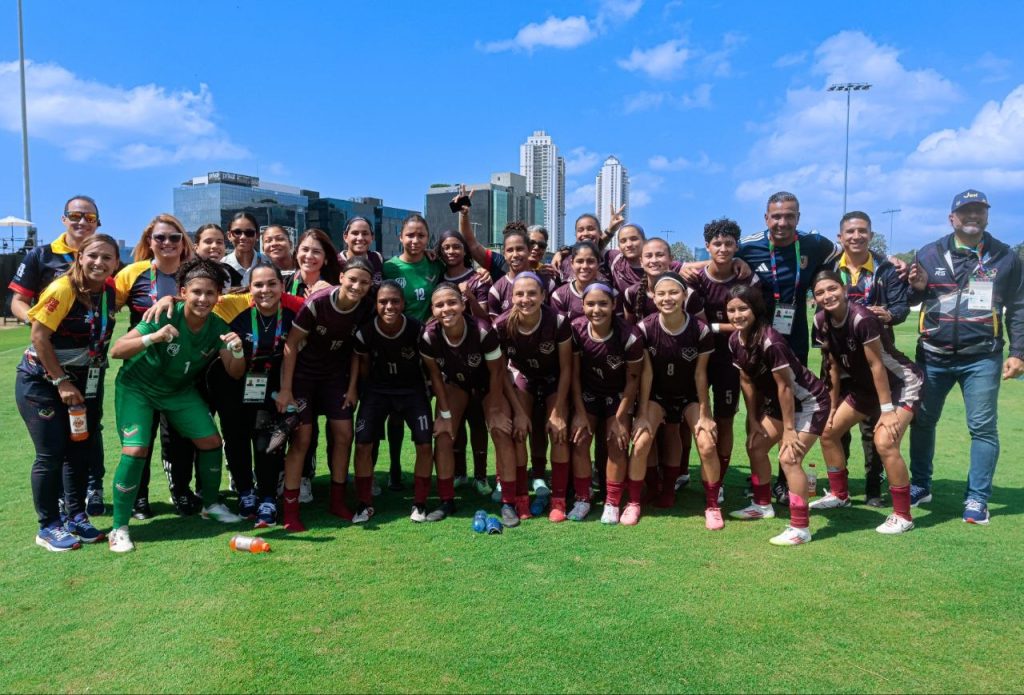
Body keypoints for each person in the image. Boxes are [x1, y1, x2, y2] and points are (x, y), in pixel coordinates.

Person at [107, 258, 247, 553]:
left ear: (217, 297)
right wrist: (153, 337)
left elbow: (235, 371)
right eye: (196, 292)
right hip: (138, 387)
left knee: (211, 441)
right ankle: (119, 528)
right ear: (183, 292)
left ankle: (210, 504)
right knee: (135, 449)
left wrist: (236, 349)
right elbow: (118, 350)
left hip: (177, 391)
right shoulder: (165, 313)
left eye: (210, 294)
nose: (203, 299)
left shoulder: (218, 326)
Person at [907, 189, 1024, 524]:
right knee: (923, 420)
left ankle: (977, 498)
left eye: (979, 211)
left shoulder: (1005, 256)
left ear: (986, 216)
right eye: (966, 212)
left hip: (982, 357)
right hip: (933, 355)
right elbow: (914, 295)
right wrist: (915, 285)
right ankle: (920, 485)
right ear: (952, 218)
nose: (972, 217)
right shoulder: (929, 253)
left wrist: (1018, 352)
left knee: (983, 427)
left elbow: (1018, 308)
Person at [735, 191, 839, 504]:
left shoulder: (815, 244)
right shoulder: (749, 246)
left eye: (789, 216)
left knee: (790, 398)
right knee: (756, 397)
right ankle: (760, 479)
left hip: (793, 336)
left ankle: (784, 479)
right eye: (776, 216)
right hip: (760, 337)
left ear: (798, 217)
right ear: (766, 218)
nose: (782, 222)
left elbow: (841, 256)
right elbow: (722, 257)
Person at [17, 234, 119, 550]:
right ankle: (48, 525)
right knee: (51, 453)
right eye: (93, 256)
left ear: (116, 263)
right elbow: (39, 337)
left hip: (85, 383)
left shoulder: (109, 291)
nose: (99, 263)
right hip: (43, 382)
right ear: (79, 258)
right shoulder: (62, 289)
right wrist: (61, 382)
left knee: (79, 450)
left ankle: (75, 517)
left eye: (107, 258)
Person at [9, 195, 108, 515]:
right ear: (64, 219)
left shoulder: (104, 260)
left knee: (87, 434)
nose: (82, 222)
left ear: (97, 223)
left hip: (89, 368)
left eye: (89, 218)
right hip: (50, 367)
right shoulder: (43, 256)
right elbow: (17, 303)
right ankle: (53, 517)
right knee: (54, 449)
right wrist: (43, 323)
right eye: (75, 216)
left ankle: (88, 494)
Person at [810, 271, 922, 534]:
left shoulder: (862, 318)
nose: (827, 296)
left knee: (884, 441)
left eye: (832, 288)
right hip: (865, 387)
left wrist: (887, 411)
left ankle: (903, 515)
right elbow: (832, 366)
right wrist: (832, 405)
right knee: (828, 432)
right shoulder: (820, 321)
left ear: (844, 289)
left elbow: (876, 365)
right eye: (820, 292)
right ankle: (839, 495)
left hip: (900, 383)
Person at [275, 259, 376, 531]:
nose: (357, 286)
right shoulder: (318, 302)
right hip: (303, 378)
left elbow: (357, 350)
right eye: (352, 279)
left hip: (335, 378)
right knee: (301, 439)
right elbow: (292, 344)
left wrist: (353, 387)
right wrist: (286, 389)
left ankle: (337, 501)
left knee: (344, 435)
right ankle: (291, 511)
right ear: (341, 277)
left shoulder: (366, 306)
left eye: (364, 282)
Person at [726, 285, 830, 546]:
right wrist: (752, 418)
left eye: (743, 308)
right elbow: (747, 381)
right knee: (756, 446)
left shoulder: (771, 341)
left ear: (756, 309)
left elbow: (785, 387)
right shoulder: (734, 340)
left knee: (789, 458)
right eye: (731, 310)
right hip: (778, 404)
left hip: (808, 402)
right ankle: (762, 505)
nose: (737, 315)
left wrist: (789, 430)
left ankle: (800, 527)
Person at [205, 263, 305, 526]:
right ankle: (246, 493)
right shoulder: (234, 313)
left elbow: (293, 351)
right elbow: (193, 298)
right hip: (233, 383)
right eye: (258, 285)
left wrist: (286, 390)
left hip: (270, 387)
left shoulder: (294, 313)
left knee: (266, 443)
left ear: (281, 286)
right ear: (250, 289)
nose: (265, 290)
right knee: (236, 440)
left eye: (271, 283)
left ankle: (269, 498)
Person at [114, 214, 196, 519]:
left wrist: (173, 298)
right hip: (141, 371)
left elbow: (214, 298)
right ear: (150, 241)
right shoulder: (132, 273)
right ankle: (139, 497)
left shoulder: (192, 272)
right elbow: (106, 305)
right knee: (140, 439)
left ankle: (181, 491)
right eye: (160, 237)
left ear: (182, 241)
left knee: (179, 438)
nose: (167, 243)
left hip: (182, 370)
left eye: (174, 237)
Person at [828, 211, 910, 507]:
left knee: (873, 426)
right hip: (841, 356)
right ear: (841, 237)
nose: (856, 236)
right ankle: (842, 488)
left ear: (870, 235)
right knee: (838, 423)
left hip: (877, 357)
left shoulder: (887, 269)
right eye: (850, 232)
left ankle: (874, 487)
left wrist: (890, 314)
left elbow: (901, 306)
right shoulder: (829, 267)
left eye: (862, 231)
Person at [420, 284, 519, 524]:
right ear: (432, 309)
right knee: (443, 434)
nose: (446, 309)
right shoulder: (428, 335)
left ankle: (508, 502)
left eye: (452, 302)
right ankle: (446, 501)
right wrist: (443, 414)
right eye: (439, 305)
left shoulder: (483, 330)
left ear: (463, 305)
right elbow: (435, 378)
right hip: (456, 385)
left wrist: (495, 409)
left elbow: (497, 373)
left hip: (488, 385)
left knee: (500, 430)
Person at [637, 273, 723, 529]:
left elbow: (700, 373)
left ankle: (712, 505)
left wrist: (705, 414)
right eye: (661, 293)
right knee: (642, 440)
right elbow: (647, 374)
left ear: (685, 296)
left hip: (690, 396)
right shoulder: (645, 327)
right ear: (653, 297)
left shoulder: (700, 329)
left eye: (674, 293)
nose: (667, 298)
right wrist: (642, 412)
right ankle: (648, 493)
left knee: (706, 444)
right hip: (658, 395)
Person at [686, 219, 760, 503]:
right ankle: (698, 473)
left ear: (736, 246)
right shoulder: (695, 278)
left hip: (734, 359)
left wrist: (717, 327)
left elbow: (754, 322)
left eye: (729, 244)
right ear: (708, 246)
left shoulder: (747, 279)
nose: (723, 248)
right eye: (717, 243)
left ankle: (721, 479)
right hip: (700, 359)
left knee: (725, 419)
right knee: (696, 418)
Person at [351, 281, 433, 522]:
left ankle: (419, 503)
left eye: (395, 301)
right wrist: (364, 393)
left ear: (403, 304)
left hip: (412, 391)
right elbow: (364, 367)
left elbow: (429, 368)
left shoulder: (417, 330)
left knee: (425, 444)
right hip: (378, 390)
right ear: (375, 305)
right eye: (383, 302)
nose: (389, 306)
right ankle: (364, 503)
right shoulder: (365, 332)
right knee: (363, 444)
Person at [494, 272, 572, 520]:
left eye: (531, 293)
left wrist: (558, 411)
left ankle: (558, 500)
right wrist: (517, 412)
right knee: (519, 433)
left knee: (559, 433)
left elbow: (567, 368)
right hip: (522, 377)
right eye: (519, 294)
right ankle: (521, 498)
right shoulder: (503, 324)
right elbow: (502, 372)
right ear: (511, 297)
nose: (525, 299)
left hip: (553, 379)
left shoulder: (558, 321)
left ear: (543, 296)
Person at [569, 283, 648, 523]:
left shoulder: (629, 336)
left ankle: (612, 502)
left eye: (603, 303)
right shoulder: (576, 329)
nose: (596, 309)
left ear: (614, 305)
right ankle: (583, 497)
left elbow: (633, 380)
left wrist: (620, 418)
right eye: (590, 304)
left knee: (617, 441)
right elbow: (573, 375)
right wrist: (580, 414)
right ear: (582, 305)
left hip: (618, 395)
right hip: (589, 393)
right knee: (580, 438)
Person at [436, 229, 492, 493]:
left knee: (477, 420)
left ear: (465, 250)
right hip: (450, 359)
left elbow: (487, 319)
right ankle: (458, 472)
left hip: (477, 357)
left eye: (456, 246)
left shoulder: (478, 278)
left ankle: (481, 475)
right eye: (445, 247)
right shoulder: (436, 276)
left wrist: (468, 296)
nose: (451, 251)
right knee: (452, 422)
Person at [383, 214, 443, 322]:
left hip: (428, 333)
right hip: (400, 333)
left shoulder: (436, 264)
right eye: (410, 235)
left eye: (421, 236)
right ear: (401, 237)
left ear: (427, 238)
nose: (415, 241)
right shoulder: (388, 268)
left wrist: (482, 271)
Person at [488, 228, 557, 320]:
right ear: (504, 254)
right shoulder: (496, 290)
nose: (515, 254)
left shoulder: (548, 284)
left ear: (529, 251)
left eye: (520, 249)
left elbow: (555, 320)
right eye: (510, 250)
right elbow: (496, 327)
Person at [550, 241, 621, 320]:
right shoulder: (559, 296)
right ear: (572, 264)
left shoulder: (613, 294)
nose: (585, 266)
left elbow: (619, 326)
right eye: (579, 261)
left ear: (598, 263)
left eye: (590, 261)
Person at [624, 237, 675, 323]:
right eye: (648, 256)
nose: (654, 260)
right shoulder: (631, 293)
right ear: (641, 261)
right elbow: (629, 329)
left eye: (660, 255)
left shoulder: (685, 293)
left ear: (670, 259)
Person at [338, 216, 385, 288]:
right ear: (345, 237)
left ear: (372, 237)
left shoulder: (377, 259)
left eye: (365, 234)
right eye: (355, 233)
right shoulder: (335, 262)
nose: (360, 238)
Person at [193, 223, 242, 289]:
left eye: (219, 242)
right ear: (196, 247)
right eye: (208, 242)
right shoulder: (186, 274)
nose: (215, 246)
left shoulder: (232, 274)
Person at [223, 212, 267, 285]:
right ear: (229, 235)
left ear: (257, 236)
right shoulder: (222, 266)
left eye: (249, 233)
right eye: (237, 232)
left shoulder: (268, 263)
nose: (243, 237)